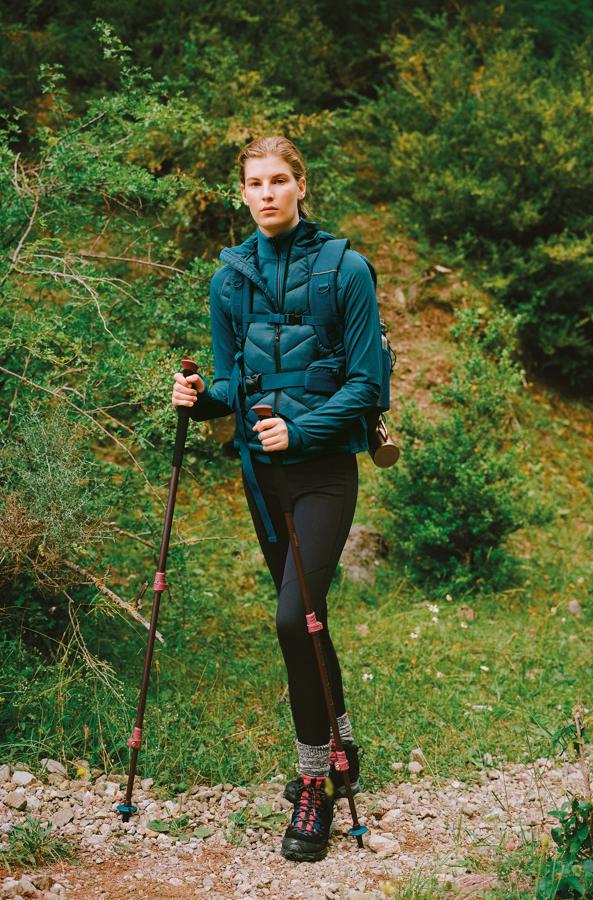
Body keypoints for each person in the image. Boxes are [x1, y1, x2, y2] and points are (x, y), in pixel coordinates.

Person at [172, 136, 382, 862]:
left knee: (293, 619)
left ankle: (313, 786)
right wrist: (199, 400)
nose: (266, 193)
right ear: (243, 193)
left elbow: (367, 385)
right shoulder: (228, 281)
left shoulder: (347, 270)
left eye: (278, 180)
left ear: (302, 185)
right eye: (254, 183)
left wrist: (301, 428)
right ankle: (343, 742)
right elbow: (232, 383)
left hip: (323, 473)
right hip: (263, 476)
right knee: (311, 620)